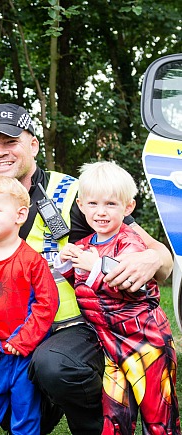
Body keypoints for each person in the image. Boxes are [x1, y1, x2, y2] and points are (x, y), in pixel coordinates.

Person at [0, 103, 174, 435]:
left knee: (56, 365)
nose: (1, 152)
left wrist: (152, 259)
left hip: (72, 330)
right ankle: (25, 412)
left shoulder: (77, 196)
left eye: (10, 141)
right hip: (6, 335)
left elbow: (161, 259)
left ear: (34, 144)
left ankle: (92, 423)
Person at [54, 161, 179, 434]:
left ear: (128, 207)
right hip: (112, 347)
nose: (101, 212)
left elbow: (128, 287)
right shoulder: (83, 246)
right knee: (114, 418)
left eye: (111, 204)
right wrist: (66, 264)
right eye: (93, 203)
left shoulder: (130, 241)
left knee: (158, 417)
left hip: (146, 344)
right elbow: (82, 285)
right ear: (81, 205)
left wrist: (93, 264)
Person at [0, 176, 58, 434]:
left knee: (25, 414)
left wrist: (22, 341)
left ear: (20, 215)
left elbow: (47, 304)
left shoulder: (32, 261)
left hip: (24, 354)